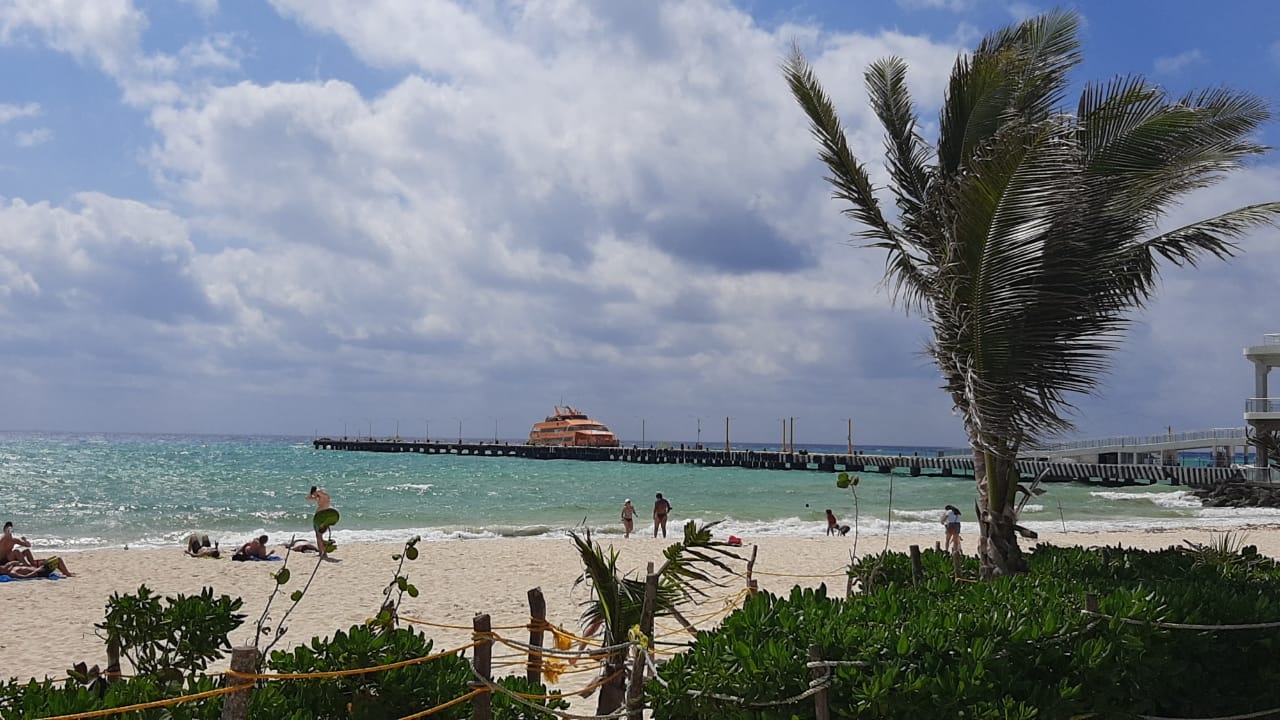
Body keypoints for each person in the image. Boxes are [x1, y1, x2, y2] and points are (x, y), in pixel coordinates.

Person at [306, 486, 339, 560]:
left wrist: (318, 491)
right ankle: (321, 552)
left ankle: (324, 553)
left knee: (320, 535)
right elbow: (308, 498)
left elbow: (321, 493)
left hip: (323, 519)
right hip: (317, 518)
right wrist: (312, 494)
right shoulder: (318, 498)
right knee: (318, 536)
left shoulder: (325, 496)